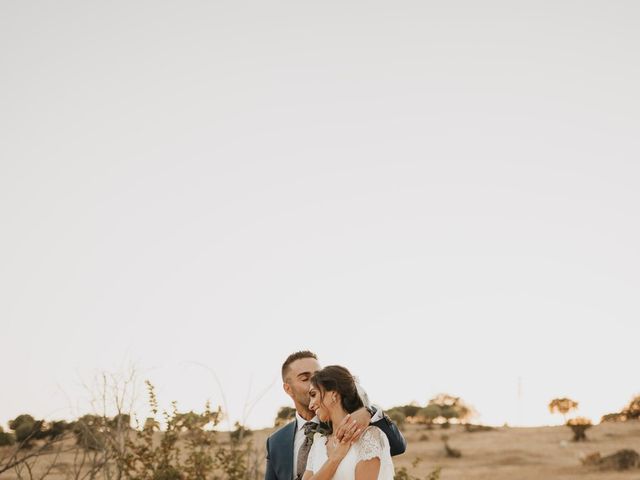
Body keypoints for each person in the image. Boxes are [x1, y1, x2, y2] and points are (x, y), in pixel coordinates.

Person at [265, 351, 405, 480]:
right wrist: (335, 457)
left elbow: (398, 446)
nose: (313, 382)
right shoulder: (276, 442)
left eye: (318, 375)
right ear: (288, 388)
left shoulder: (362, 425)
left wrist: (369, 412)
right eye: (305, 378)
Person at [302, 365, 395, 480]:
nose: (310, 405)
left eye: (313, 394)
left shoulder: (369, 437)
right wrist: (335, 457)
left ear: (334, 394)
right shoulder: (318, 444)